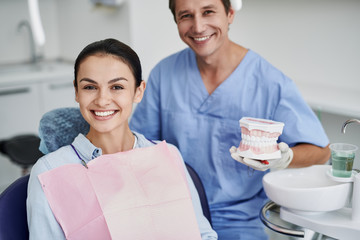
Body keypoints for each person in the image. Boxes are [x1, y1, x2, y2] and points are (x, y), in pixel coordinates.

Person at [129, 0, 331, 239]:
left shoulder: (270, 82)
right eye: (186, 16)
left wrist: (281, 157)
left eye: (208, 12)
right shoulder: (164, 74)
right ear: (176, 22)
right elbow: (138, 147)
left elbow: (321, 151)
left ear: (230, 14)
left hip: (240, 219)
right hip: (176, 210)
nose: (198, 26)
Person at [26, 38, 217, 239]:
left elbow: (203, 235)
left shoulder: (168, 156)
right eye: (90, 87)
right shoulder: (49, 172)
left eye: (117, 87)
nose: (102, 100)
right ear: (76, 91)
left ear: (138, 91)